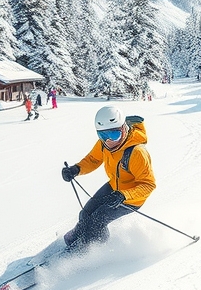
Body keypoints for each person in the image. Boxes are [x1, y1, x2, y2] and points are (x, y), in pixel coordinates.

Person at [61, 105, 156, 248]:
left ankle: (94, 249)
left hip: (131, 197)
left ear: (124, 128)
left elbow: (148, 185)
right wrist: (76, 169)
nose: (109, 141)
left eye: (114, 135)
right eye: (103, 135)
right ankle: (79, 234)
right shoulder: (104, 144)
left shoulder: (137, 152)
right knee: (86, 213)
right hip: (114, 187)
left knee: (98, 220)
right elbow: (93, 159)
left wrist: (124, 195)